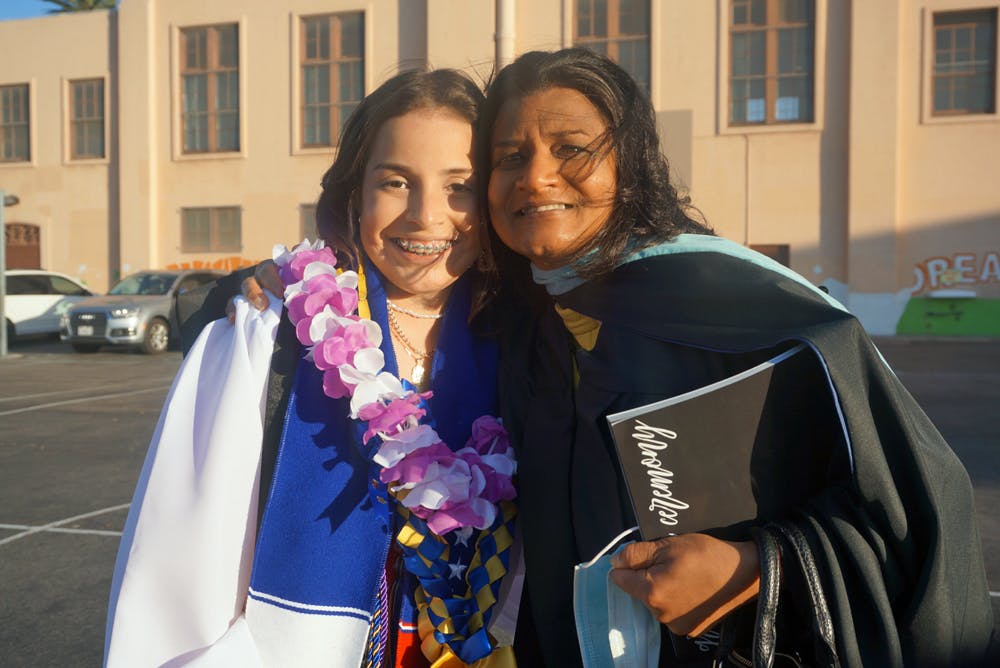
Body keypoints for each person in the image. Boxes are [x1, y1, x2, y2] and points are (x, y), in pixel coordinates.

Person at [480, 48, 995, 667]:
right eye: (509, 157)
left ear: (631, 164)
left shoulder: (760, 315)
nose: (535, 177)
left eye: (571, 148)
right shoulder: (515, 329)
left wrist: (756, 569)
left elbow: (917, 518)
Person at [104, 69, 522, 668]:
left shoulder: (526, 340)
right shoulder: (270, 331)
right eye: (396, 181)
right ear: (355, 193)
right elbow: (183, 558)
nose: (426, 216)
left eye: (460, 186)